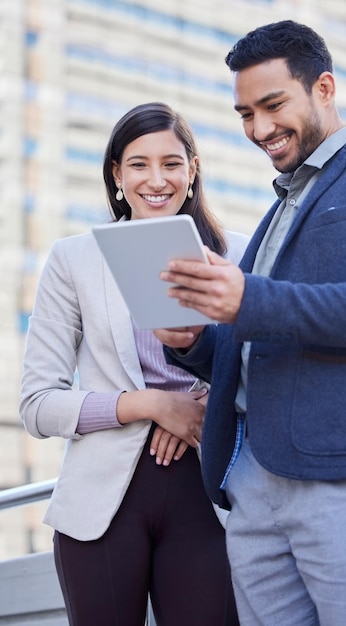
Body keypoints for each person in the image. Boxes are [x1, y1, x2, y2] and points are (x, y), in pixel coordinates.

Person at [154, 20, 346, 626]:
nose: (259, 129)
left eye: (272, 105)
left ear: (324, 86)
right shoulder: (278, 208)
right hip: (251, 481)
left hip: (345, 474)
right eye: (244, 114)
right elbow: (261, 332)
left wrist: (248, 300)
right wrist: (195, 342)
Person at [20, 102, 247, 626]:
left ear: (192, 172)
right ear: (117, 176)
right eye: (138, 164)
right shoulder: (74, 260)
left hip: (210, 495)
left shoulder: (238, 255)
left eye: (171, 163)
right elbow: (37, 404)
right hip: (101, 508)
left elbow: (268, 367)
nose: (156, 179)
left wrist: (205, 404)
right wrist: (151, 405)